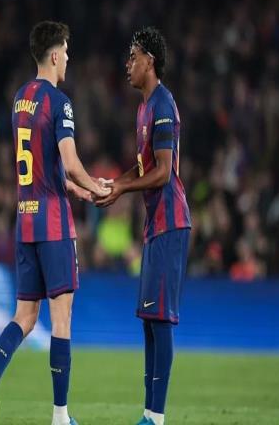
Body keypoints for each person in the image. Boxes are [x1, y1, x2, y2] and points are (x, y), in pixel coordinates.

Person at [0, 20, 111, 425]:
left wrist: (78, 191)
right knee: (61, 319)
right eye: (65, 51)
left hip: (26, 220)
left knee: (24, 316)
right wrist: (97, 188)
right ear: (54, 55)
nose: (68, 57)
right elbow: (68, 161)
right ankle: (60, 416)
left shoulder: (20, 99)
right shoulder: (59, 102)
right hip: (54, 224)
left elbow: (42, 169)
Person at [96, 27, 191, 425]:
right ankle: (148, 415)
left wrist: (122, 188)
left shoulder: (163, 104)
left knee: (161, 319)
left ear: (150, 61)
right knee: (149, 321)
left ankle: (157, 417)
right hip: (154, 226)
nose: (128, 64)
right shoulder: (143, 109)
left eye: (133, 57)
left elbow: (164, 173)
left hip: (171, 222)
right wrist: (115, 184)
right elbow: (142, 170)